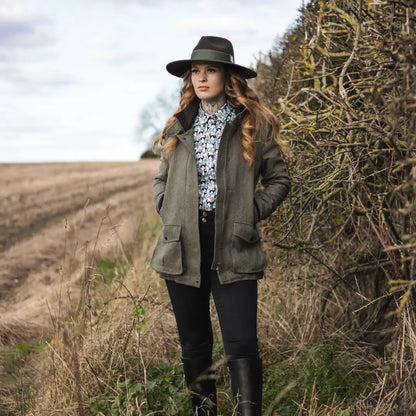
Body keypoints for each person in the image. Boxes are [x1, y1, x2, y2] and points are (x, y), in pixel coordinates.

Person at [151, 36, 291, 416]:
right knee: (194, 344)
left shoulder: (253, 123)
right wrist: (168, 210)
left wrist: (250, 212)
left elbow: (279, 179)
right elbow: (160, 178)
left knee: (241, 343)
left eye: (210, 70)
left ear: (227, 75)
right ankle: (205, 412)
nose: (201, 78)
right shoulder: (179, 123)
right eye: (195, 71)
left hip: (233, 241)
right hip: (183, 243)